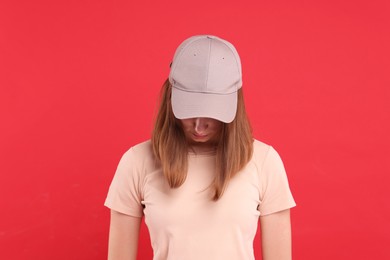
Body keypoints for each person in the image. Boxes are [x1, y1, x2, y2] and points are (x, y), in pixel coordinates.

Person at [104, 35, 296, 260]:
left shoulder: (264, 161)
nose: (199, 125)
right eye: (189, 110)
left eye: (212, 113)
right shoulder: (137, 161)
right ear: (170, 99)